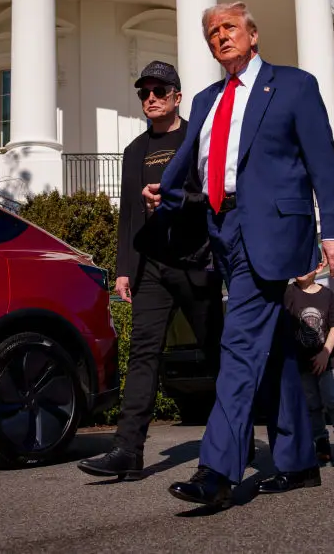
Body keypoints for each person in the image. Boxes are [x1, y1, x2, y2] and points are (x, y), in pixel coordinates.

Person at [143, 1, 334, 508]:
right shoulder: (207, 98)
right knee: (274, 346)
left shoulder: (294, 85)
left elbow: (322, 162)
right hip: (224, 229)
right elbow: (197, 166)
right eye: (212, 32)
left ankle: (216, 470)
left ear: (253, 35)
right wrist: (165, 194)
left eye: (230, 28)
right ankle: (300, 460)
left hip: (275, 229)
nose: (221, 37)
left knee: (238, 346)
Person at [77, 60, 224, 481]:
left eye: (160, 91)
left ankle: (235, 433)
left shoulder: (199, 138)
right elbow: (128, 215)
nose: (151, 99)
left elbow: (214, 196)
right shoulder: (134, 151)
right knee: (143, 355)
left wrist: (176, 200)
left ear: (177, 95)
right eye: (144, 92)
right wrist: (125, 268)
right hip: (152, 267)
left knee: (217, 351)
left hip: (197, 262)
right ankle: (127, 449)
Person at [286, 259, 334, 463]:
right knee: (312, 404)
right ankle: (320, 441)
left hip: (326, 360)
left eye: (305, 264)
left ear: (318, 267)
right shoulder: (289, 293)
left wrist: (326, 352)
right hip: (301, 362)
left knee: (333, 400)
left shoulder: (328, 296)